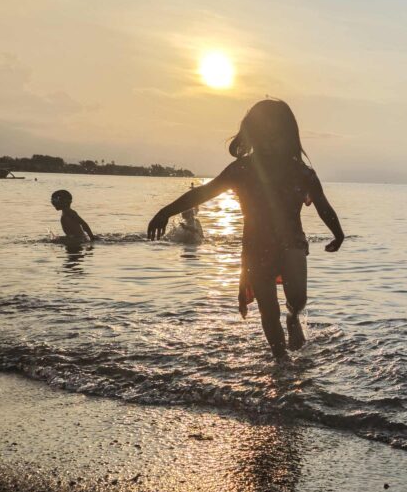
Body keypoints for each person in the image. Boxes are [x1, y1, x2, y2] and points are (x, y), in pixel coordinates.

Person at [147, 99, 345, 360]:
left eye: (276, 137)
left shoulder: (301, 172)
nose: (270, 144)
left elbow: (322, 205)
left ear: (287, 138)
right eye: (263, 137)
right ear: (252, 137)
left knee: (297, 296)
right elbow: (203, 193)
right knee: (267, 309)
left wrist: (338, 233)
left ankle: (293, 316)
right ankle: (280, 360)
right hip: (255, 248)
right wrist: (165, 212)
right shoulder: (241, 169)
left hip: (292, 243)